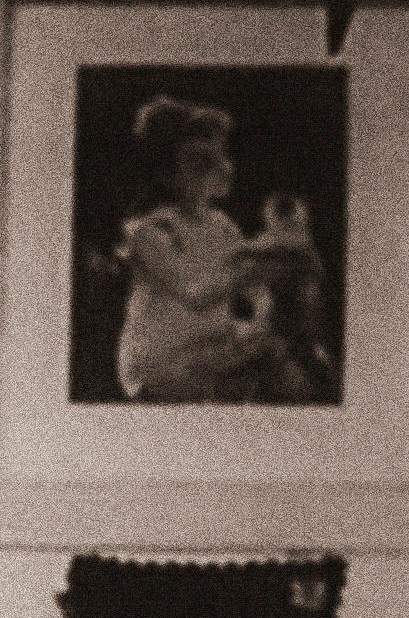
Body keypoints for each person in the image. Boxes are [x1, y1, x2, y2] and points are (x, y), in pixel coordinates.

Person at [114, 96, 327, 404]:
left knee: (296, 369)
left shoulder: (221, 224)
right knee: (277, 375)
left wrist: (266, 306)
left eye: (219, 156)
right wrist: (264, 271)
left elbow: (254, 292)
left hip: (214, 349)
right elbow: (196, 294)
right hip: (161, 364)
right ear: (166, 172)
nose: (220, 167)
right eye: (200, 161)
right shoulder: (149, 232)